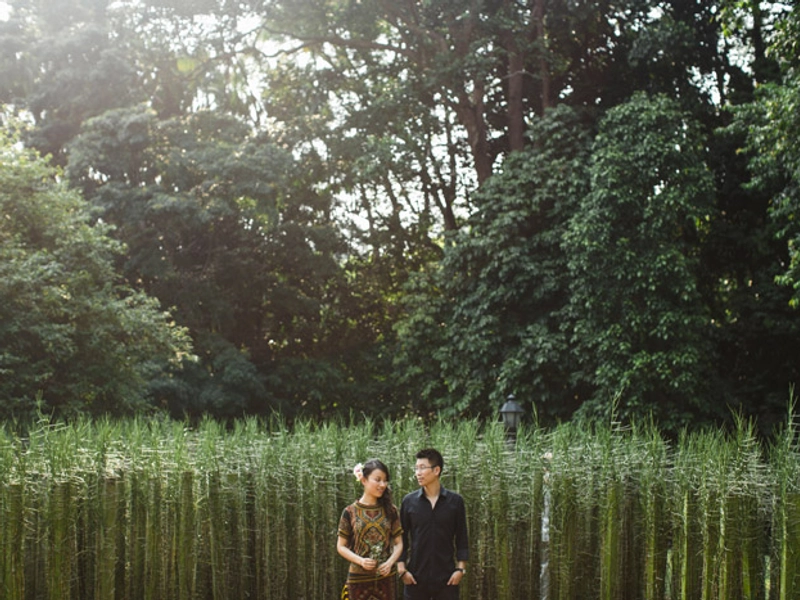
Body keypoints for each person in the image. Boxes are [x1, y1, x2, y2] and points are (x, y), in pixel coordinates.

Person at [396, 448, 469, 600]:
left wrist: (460, 570)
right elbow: (400, 538)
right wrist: (401, 569)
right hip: (415, 577)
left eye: (422, 468)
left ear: (436, 470)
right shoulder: (409, 502)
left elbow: (462, 537)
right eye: (416, 468)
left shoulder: (455, 502)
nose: (418, 473)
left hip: (447, 578)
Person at [338, 458, 404, 600]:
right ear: (363, 480)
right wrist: (360, 561)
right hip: (358, 578)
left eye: (385, 480)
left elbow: (399, 543)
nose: (382, 484)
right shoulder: (349, 512)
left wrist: (390, 563)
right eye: (378, 480)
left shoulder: (391, 511)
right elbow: (341, 546)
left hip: (386, 577)